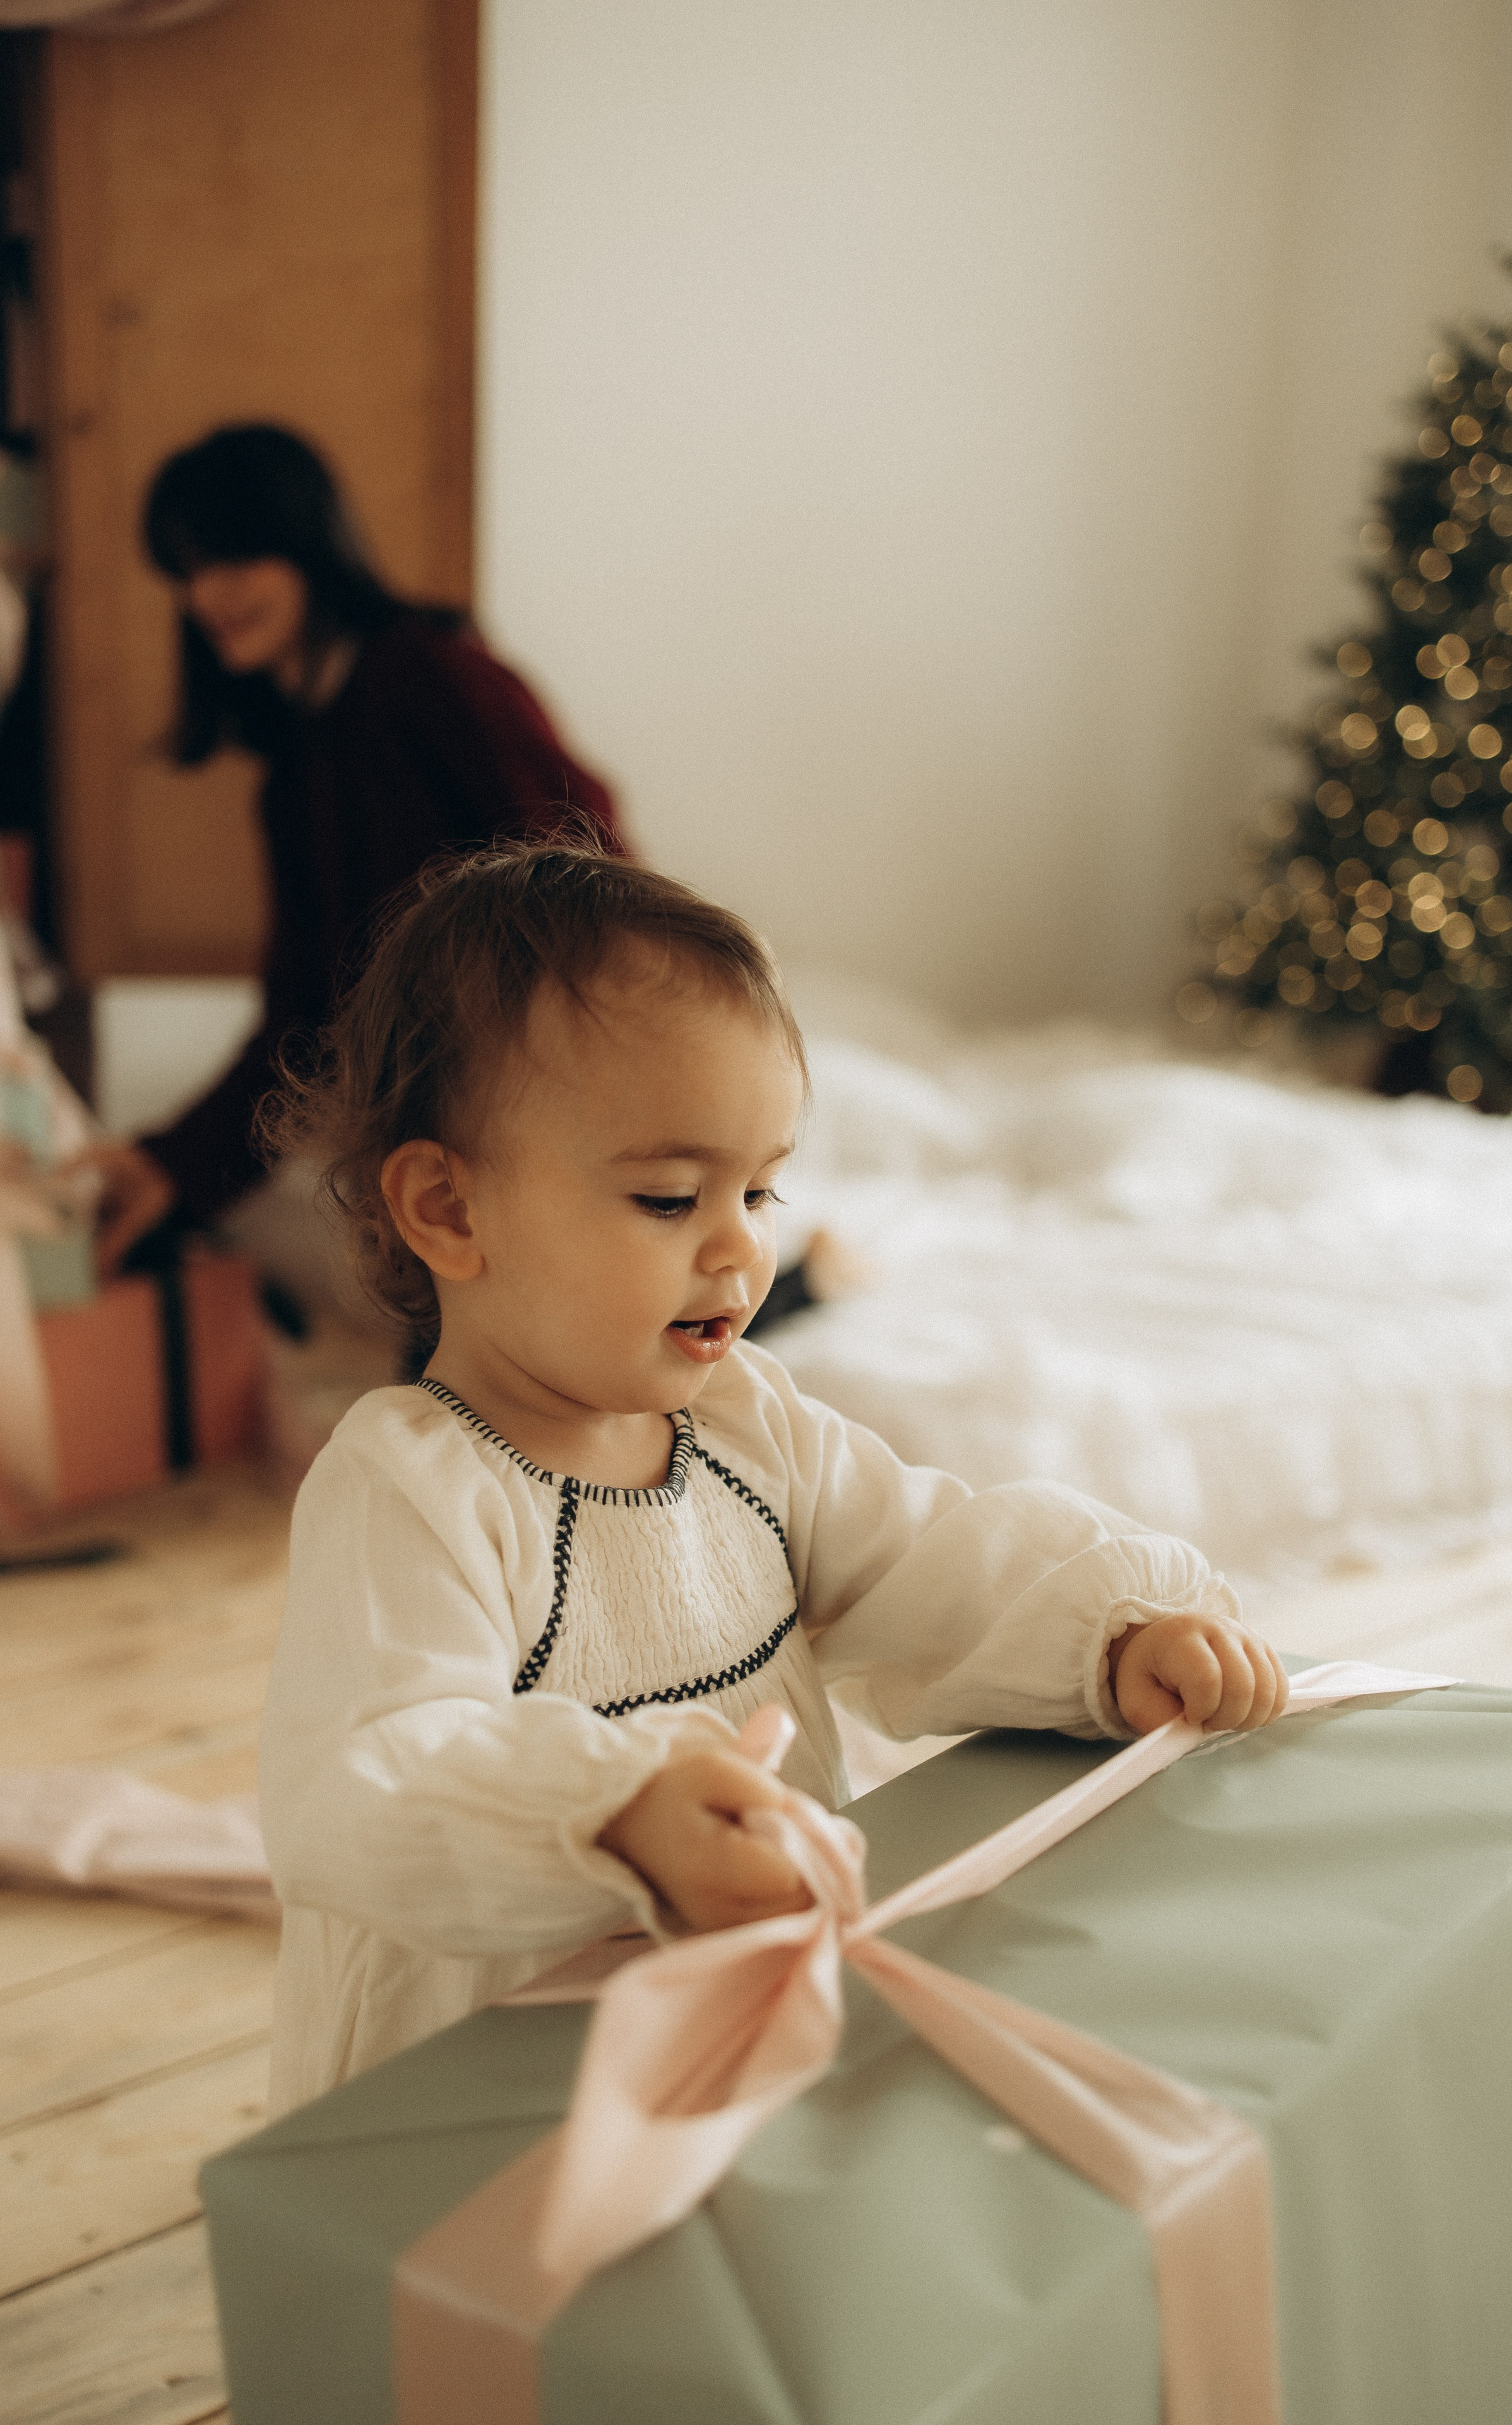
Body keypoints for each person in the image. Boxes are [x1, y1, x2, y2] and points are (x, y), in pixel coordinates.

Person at [256, 842, 1289, 2112]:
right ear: (451, 1212)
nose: (742, 1245)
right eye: (666, 1196)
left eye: (760, 1188)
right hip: (482, 2083)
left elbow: (928, 1559)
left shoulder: (750, 1429)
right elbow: (372, 1774)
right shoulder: (410, 1487)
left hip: (752, 2020)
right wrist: (617, 1812)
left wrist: (1110, 1634)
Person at [81, 420, 624, 1276]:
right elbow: (307, 1021)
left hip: (544, 1094)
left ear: (305, 547)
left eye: (231, 560)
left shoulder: (429, 674)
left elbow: (591, 877)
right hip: (451, 1125)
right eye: (185, 573)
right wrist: (170, 1170)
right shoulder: (295, 776)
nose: (204, 597)